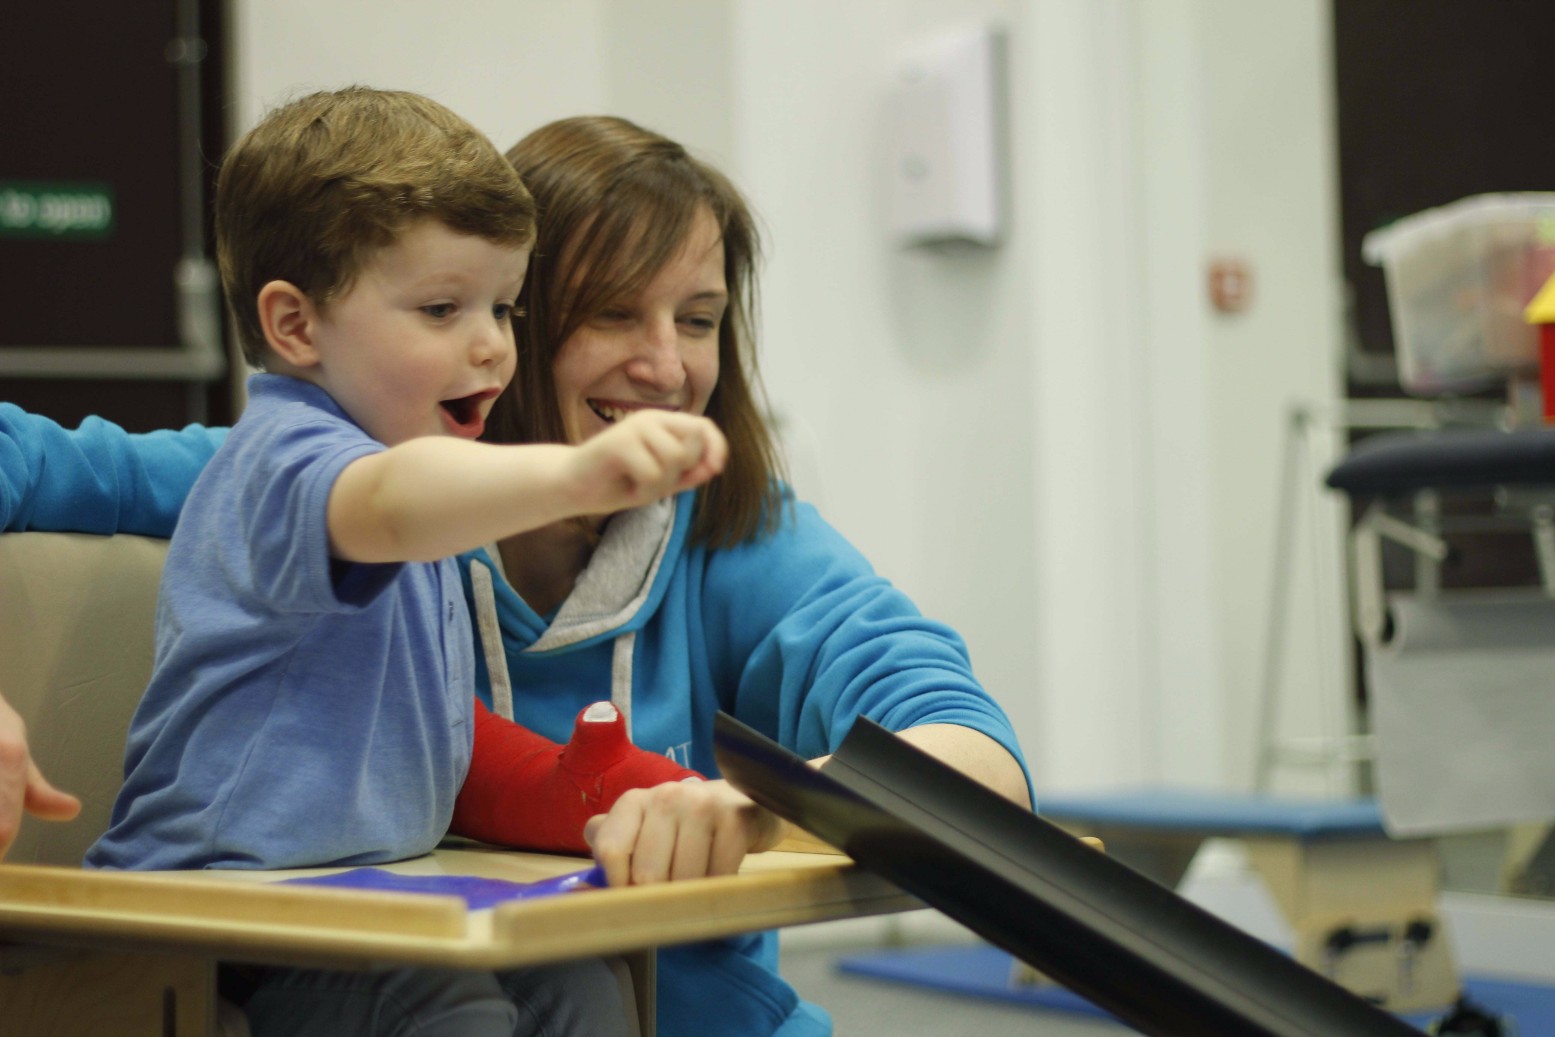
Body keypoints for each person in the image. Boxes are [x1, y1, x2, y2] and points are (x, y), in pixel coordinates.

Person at [0, 114, 1032, 1037]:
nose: (667, 366)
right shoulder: (303, 470)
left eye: (699, 319)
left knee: (575, 983)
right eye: (611, 313)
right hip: (341, 951)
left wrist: (760, 809)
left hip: (685, 1006)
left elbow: (973, 759)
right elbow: (37, 457)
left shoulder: (736, 532)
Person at [82, 87, 732, 1037]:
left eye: (503, 307)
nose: (493, 345)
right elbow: (391, 503)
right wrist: (576, 474)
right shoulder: (286, 459)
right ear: (295, 326)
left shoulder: (399, 459)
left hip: (357, 898)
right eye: (441, 308)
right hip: (207, 911)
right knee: (437, 1001)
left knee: (578, 983)